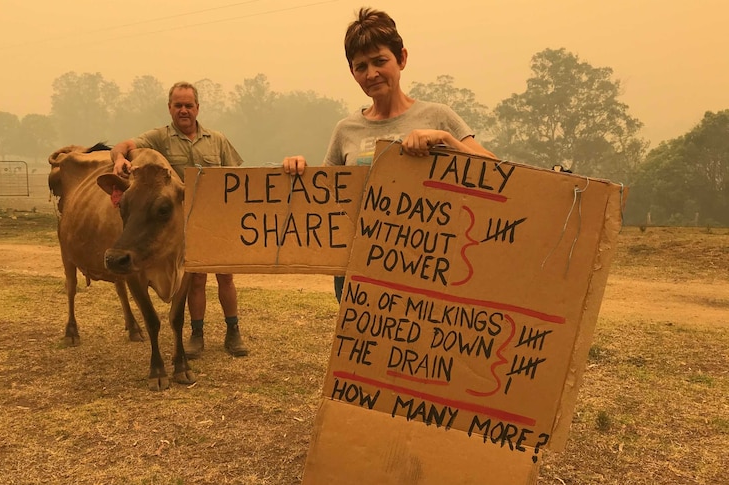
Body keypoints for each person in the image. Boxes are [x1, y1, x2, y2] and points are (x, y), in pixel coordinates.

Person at [282, 7, 496, 302]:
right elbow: (325, 197)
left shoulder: (438, 117)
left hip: (426, 265)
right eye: (361, 66)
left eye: (380, 61)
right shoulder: (345, 130)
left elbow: (497, 173)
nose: (371, 74)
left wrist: (445, 139)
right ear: (352, 72)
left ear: (402, 59)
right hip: (357, 265)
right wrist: (300, 171)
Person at [111, 81, 249, 358]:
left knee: (225, 277)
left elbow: (236, 176)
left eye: (188, 105)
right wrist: (118, 159)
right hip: (182, 225)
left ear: (198, 108)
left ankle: (233, 332)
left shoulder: (217, 140)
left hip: (215, 220)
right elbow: (124, 145)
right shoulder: (160, 138)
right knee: (195, 281)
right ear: (170, 108)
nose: (184, 111)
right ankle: (196, 335)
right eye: (178, 106)